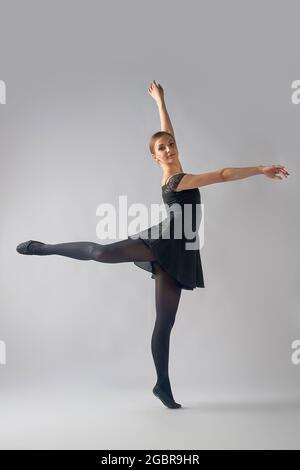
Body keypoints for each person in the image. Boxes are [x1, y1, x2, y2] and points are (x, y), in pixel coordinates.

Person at [16, 80, 290, 409]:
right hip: (162, 241)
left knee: (165, 322)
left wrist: (160, 103)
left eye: (172, 145)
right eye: (162, 149)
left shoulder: (176, 166)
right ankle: (42, 248)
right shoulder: (178, 179)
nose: (169, 149)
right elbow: (223, 174)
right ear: (153, 157)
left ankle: (162, 384)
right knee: (100, 252)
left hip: (180, 250)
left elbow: (166, 133)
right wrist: (259, 169)